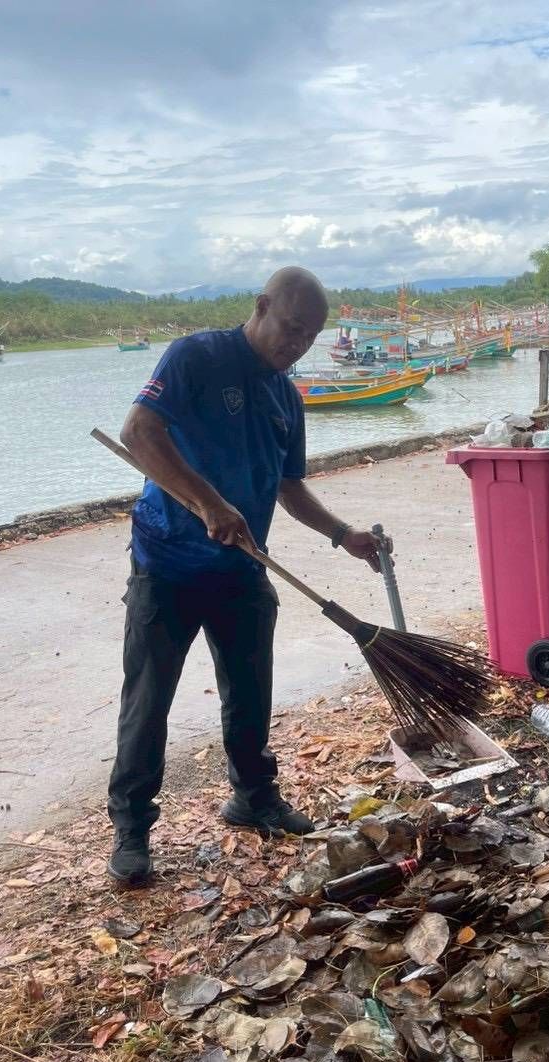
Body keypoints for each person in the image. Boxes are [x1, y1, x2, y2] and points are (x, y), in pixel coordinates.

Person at [107, 266, 387, 886]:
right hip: (168, 564)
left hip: (242, 563)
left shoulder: (286, 395)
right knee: (149, 701)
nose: (297, 344)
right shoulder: (195, 357)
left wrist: (344, 536)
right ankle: (131, 830)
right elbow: (138, 432)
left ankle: (253, 799)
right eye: (291, 328)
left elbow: (289, 486)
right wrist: (208, 503)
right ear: (261, 307)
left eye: (310, 336)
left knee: (250, 690)